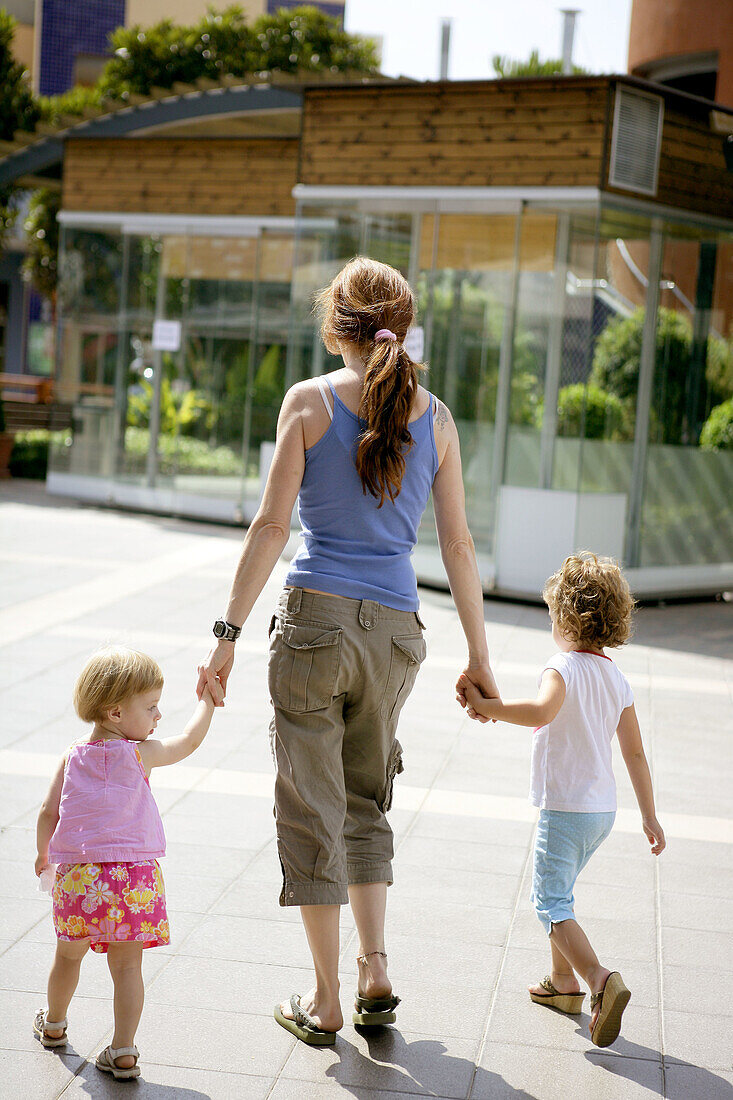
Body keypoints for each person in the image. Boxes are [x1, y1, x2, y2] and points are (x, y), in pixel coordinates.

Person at [197, 256, 498, 1045]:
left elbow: (270, 530)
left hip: (313, 626)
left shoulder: (305, 403)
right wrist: (479, 653)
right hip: (397, 635)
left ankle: (326, 998)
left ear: (337, 326)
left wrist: (225, 637)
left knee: (310, 805)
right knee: (366, 801)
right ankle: (376, 967)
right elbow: (460, 545)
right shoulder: (435, 418)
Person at [458, 552, 665, 1049]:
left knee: (549, 900)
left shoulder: (562, 666)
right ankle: (563, 983)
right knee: (563, 891)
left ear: (567, 617)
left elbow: (542, 711)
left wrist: (486, 707)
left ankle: (598, 979)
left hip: (566, 807)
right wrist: (650, 816)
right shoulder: (616, 676)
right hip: (602, 812)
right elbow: (635, 753)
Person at [33, 646, 216, 1080]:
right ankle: (123, 1050)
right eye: (151, 707)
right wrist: (207, 700)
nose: (158, 717)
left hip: (80, 878)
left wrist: (44, 856)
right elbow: (189, 741)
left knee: (67, 957)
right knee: (128, 967)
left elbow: (47, 813)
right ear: (116, 712)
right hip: (133, 880)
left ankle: (55, 1024)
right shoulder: (141, 754)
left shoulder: (71, 755)